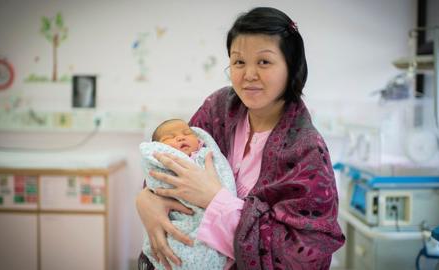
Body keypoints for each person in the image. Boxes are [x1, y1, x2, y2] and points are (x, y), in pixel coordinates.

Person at [136, 7, 345, 270]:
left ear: (291, 68)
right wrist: (146, 199)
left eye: (264, 62)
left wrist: (213, 198)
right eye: (238, 62)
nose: (248, 75)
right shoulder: (217, 110)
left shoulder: (306, 150)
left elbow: (305, 257)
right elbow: (167, 162)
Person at [140, 119, 237, 269]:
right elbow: (155, 183)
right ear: (158, 147)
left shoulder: (207, 156)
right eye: (169, 138)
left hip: (213, 220)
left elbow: (222, 179)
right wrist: (145, 198)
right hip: (179, 221)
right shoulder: (164, 162)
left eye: (187, 133)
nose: (180, 137)